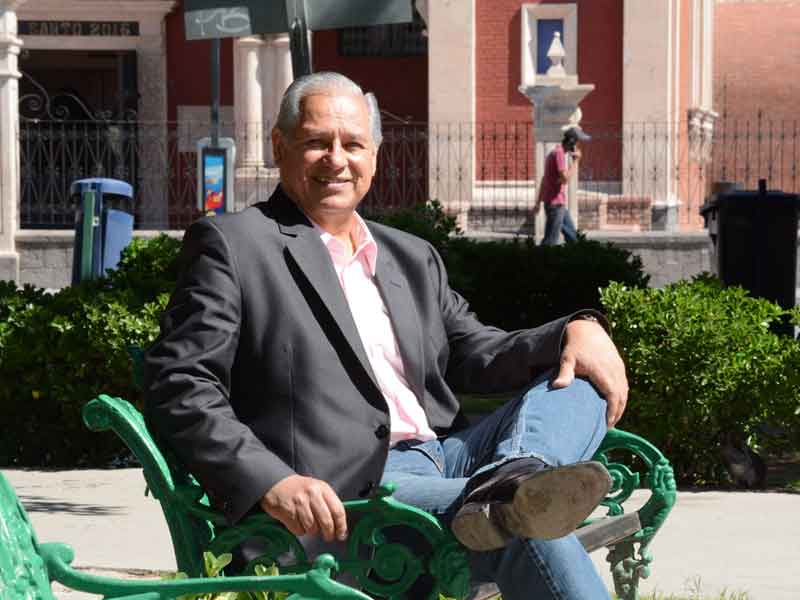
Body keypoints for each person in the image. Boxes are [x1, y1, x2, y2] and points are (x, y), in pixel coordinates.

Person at [144, 72, 628, 600]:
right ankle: (513, 492)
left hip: (452, 456)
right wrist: (269, 479)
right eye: (317, 142)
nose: (337, 159)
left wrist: (573, 331)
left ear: (373, 156)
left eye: (353, 144)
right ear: (280, 147)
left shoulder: (410, 256)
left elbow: (475, 351)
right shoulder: (235, 244)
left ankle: (516, 476)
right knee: (521, 520)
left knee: (578, 385)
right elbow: (181, 382)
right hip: (350, 495)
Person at [535, 127, 590, 246]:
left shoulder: (554, 153)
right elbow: (565, 179)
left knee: (573, 237)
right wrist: (576, 161)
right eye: (578, 142)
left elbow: (545, 180)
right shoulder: (559, 154)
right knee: (550, 242)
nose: (578, 146)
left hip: (557, 204)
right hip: (555, 205)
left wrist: (538, 203)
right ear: (572, 142)